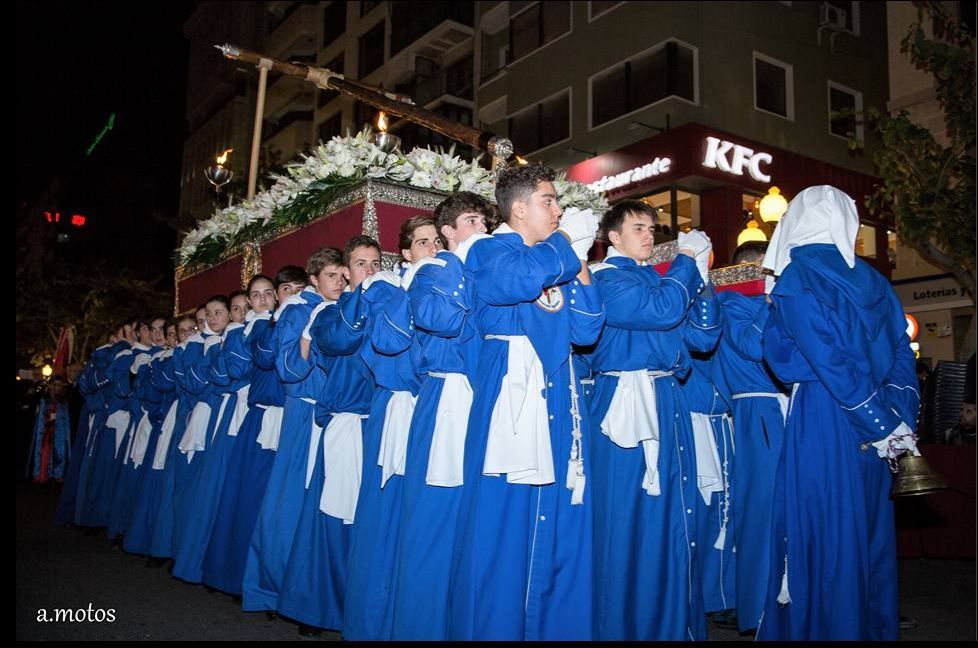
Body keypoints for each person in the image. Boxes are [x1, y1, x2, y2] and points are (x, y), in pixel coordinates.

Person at [448, 163, 606, 640]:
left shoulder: (551, 259)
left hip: (559, 392)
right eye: (548, 201)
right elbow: (512, 282)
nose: (558, 210)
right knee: (504, 523)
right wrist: (565, 248)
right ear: (518, 209)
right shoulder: (488, 249)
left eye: (557, 201)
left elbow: (587, 328)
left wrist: (579, 272)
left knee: (558, 518)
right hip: (511, 402)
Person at [757, 186, 920, 641]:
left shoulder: (797, 279)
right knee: (867, 531)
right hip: (877, 419)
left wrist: (876, 418)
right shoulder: (875, 282)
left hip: (824, 416)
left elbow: (827, 361)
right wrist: (896, 420)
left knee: (824, 527)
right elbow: (901, 355)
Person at [583, 200, 716, 640]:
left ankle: (669, 623)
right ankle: (621, 625)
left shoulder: (657, 284)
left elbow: (703, 335)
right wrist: (685, 261)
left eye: (653, 228)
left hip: (666, 398)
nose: (649, 235)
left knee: (673, 513)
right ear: (612, 237)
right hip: (625, 401)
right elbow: (659, 312)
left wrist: (703, 278)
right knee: (627, 517)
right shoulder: (606, 278)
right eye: (638, 227)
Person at [390, 192, 493, 640]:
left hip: (487, 396)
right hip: (448, 395)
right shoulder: (434, 270)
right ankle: (421, 625)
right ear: (448, 232)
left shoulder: (488, 267)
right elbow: (441, 319)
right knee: (435, 513)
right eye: (472, 221)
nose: (483, 229)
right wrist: (466, 271)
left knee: (478, 516)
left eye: (485, 221)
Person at [712, 241, 790, 633]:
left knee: (782, 508)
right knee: (762, 511)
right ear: (750, 269)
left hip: (777, 408)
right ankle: (759, 607)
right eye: (768, 268)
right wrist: (769, 302)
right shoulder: (733, 303)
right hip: (758, 410)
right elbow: (753, 345)